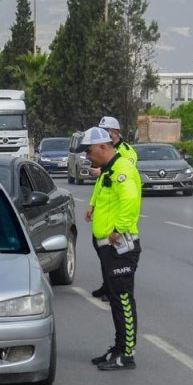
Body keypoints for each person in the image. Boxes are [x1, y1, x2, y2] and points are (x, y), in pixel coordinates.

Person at [81, 126, 143, 371]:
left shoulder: (123, 169)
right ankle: (118, 348)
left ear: (103, 147)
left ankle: (127, 355)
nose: (87, 156)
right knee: (116, 300)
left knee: (123, 300)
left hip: (120, 247)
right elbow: (102, 189)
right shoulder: (109, 169)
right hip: (108, 247)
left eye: (89, 151)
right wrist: (92, 205)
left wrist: (119, 228)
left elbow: (130, 201)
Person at [88, 115, 140, 300]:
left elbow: (122, 179)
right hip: (105, 210)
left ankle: (113, 287)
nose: (103, 134)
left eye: (107, 131)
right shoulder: (103, 155)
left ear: (116, 132)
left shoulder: (126, 153)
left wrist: (120, 228)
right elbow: (102, 184)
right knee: (102, 249)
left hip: (118, 213)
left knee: (116, 256)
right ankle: (107, 285)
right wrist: (92, 204)